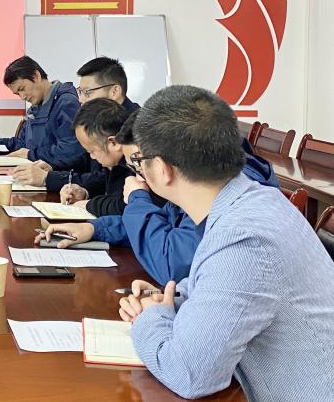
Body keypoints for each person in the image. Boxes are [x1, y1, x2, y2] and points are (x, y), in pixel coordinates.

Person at [114, 86, 334, 400]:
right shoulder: (255, 200)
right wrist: (170, 298)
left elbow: (189, 375)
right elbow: (225, 282)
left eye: (139, 162)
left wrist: (150, 317)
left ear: (162, 169)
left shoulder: (243, 239)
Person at [42, 108, 279, 285]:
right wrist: (95, 229)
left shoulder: (225, 195)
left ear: (161, 162)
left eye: (137, 165)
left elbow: (172, 265)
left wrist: (137, 198)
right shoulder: (199, 178)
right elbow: (166, 221)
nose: (139, 176)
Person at [13, 56, 139, 190]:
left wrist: (49, 178)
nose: (80, 99)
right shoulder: (104, 119)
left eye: (87, 93)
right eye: (80, 92)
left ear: (114, 91)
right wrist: (53, 167)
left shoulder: (134, 130)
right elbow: (85, 160)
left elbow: (105, 181)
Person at [0, 56, 84, 170]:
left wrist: (30, 154)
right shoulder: (34, 110)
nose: (22, 97)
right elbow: (21, 145)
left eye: (22, 88)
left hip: (59, 177)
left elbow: (71, 150)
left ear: (36, 76)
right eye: (17, 94)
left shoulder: (66, 103)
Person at [60, 98, 134, 217]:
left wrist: (89, 205)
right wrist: (84, 193)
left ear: (114, 143)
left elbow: (123, 206)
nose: (92, 157)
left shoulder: (135, 165)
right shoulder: (114, 161)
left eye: (92, 151)